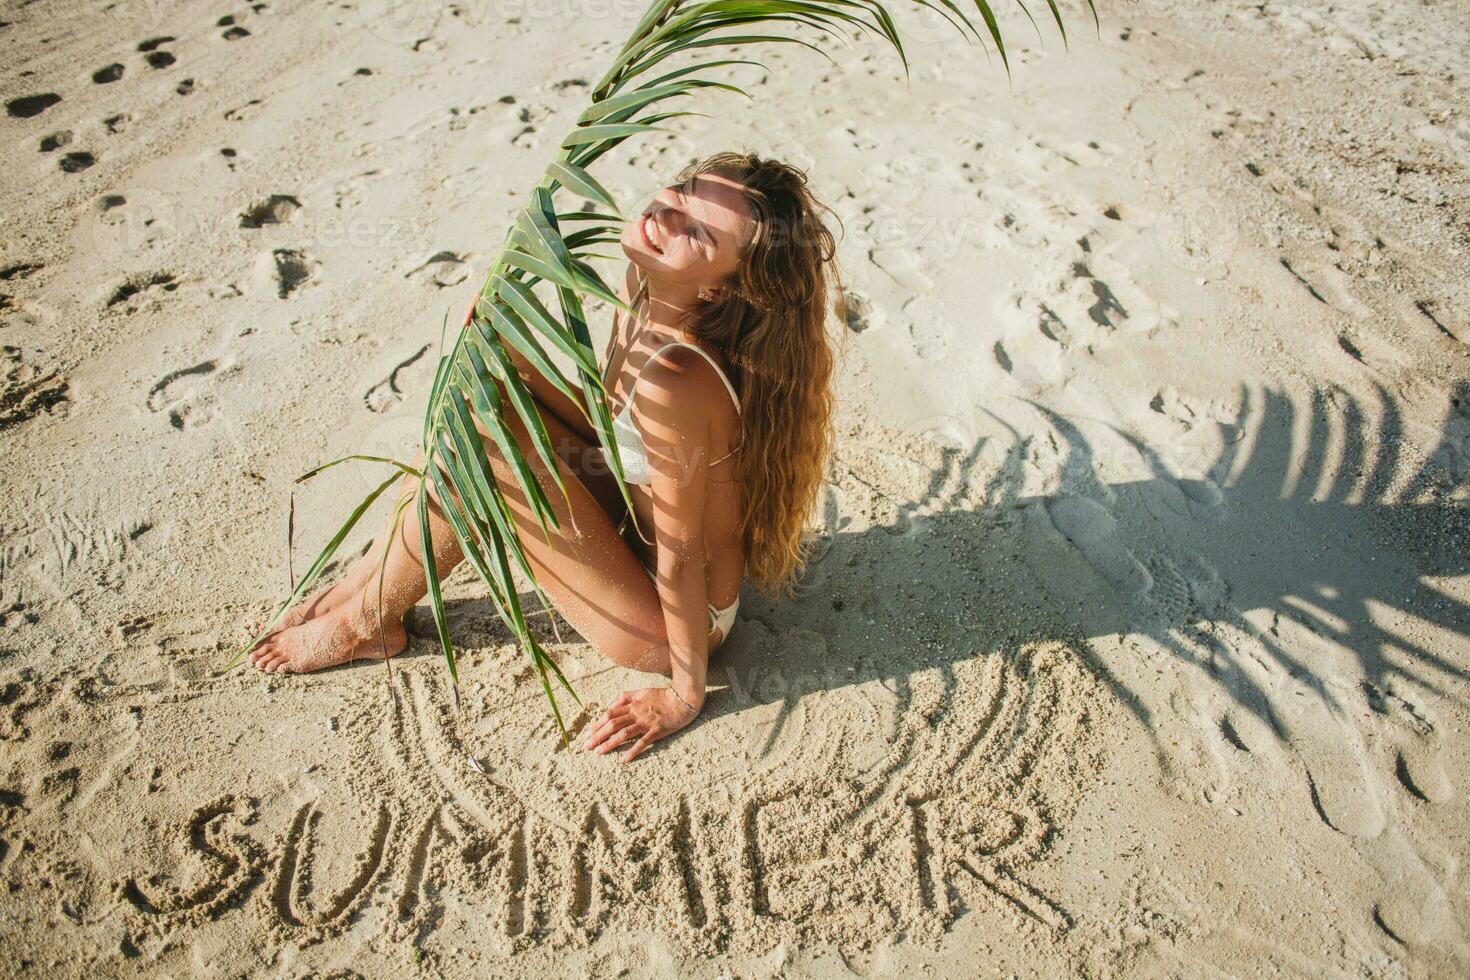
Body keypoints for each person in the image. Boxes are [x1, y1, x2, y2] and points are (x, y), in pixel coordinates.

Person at [247, 150, 843, 762]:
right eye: (684, 191)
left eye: (696, 231)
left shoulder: (679, 376)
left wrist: (684, 695)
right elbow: (613, 436)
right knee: (484, 396)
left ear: (719, 286)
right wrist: (517, 364)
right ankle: (367, 588)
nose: (665, 216)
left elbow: (684, 554)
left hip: (672, 620)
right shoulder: (645, 288)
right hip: (626, 527)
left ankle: (365, 619)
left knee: (482, 447)